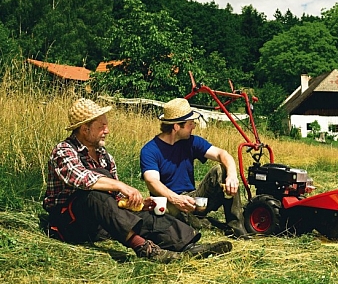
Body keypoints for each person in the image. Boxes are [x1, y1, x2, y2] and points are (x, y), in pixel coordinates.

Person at [42, 98, 232, 263]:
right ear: (85, 129)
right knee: (93, 195)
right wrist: (121, 186)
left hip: (102, 221)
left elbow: (115, 201)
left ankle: (189, 246)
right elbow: (82, 179)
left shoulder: (104, 157)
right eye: (102, 126)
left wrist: (139, 205)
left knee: (149, 213)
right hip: (70, 222)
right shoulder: (64, 151)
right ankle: (145, 249)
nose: (107, 131)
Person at [140, 98, 249, 239]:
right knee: (168, 211)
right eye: (190, 124)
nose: (194, 127)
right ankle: (200, 223)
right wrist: (176, 199)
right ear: (176, 127)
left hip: (193, 199)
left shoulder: (191, 141)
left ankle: (237, 228)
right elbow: (152, 182)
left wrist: (232, 176)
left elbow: (223, 154)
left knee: (221, 169)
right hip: (170, 202)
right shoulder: (150, 150)